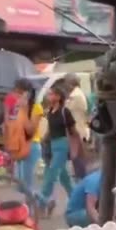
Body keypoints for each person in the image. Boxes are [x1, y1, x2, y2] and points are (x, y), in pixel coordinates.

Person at [38, 83, 77, 214]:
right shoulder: (50, 111)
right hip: (53, 144)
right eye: (49, 94)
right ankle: (76, 198)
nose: (50, 96)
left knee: (52, 172)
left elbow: (73, 130)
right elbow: (50, 129)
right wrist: (44, 139)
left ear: (59, 96)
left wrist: (78, 145)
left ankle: (42, 200)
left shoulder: (64, 112)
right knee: (64, 177)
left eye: (52, 94)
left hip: (62, 144)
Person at [6, 78, 44, 198]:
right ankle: (43, 201)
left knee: (28, 185)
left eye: (18, 93)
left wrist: (24, 110)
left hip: (31, 146)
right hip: (19, 145)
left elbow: (30, 130)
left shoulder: (36, 108)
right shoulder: (16, 108)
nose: (15, 95)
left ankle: (39, 205)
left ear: (26, 93)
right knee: (20, 185)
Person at [65, 159, 116, 228]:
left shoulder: (108, 181)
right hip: (75, 213)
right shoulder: (95, 180)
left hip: (92, 210)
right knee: (104, 222)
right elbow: (90, 208)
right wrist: (103, 225)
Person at [63, 72, 92, 180]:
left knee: (78, 158)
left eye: (66, 82)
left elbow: (66, 111)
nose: (64, 85)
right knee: (78, 158)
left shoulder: (75, 95)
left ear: (70, 83)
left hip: (77, 130)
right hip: (78, 129)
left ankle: (82, 180)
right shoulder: (77, 94)